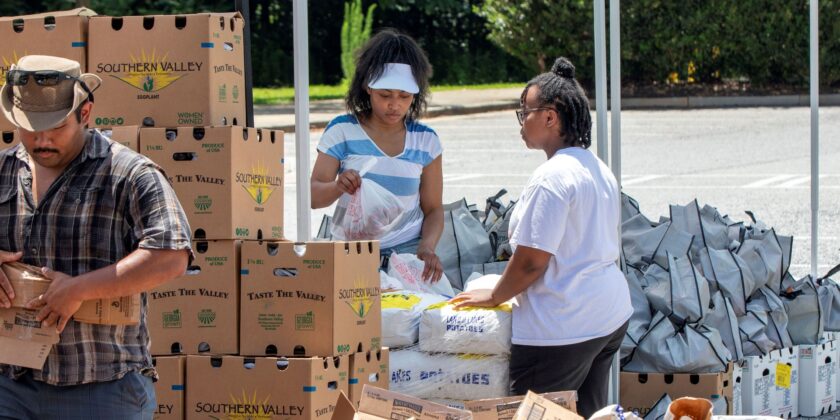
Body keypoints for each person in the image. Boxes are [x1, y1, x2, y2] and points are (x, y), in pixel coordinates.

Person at [0, 55, 192, 419]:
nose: (40, 139)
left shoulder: (129, 174)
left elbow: (171, 254)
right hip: (9, 383)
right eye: (29, 127)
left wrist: (80, 289)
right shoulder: (4, 169)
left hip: (101, 387)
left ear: (85, 113)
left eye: (55, 126)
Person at [452, 57, 632, 417]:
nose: (521, 122)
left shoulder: (551, 177)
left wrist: (496, 295)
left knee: (537, 414)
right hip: (607, 316)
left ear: (550, 117)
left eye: (525, 112)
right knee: (587, 413)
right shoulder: (596, 168)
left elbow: (533, 261)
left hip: (561, 326)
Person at [311, 29, 444, 282]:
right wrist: (338, 186)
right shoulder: (342, 130)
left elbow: (434, 209)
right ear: (368, 88)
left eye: (404, 97)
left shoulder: (426, 141)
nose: (394, 105)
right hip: (351, 254)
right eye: (385, 95)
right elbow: (314, 197)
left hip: (406, 256)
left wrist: (426, 248)